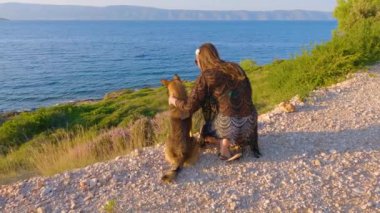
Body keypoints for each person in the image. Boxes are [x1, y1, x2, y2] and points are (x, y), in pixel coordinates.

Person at [169, 43, 261, 161]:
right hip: (250, 123)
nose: (197, 65)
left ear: (201, 60)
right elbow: (248, 92)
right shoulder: (236, 67)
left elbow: (189, 107)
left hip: (228, 125)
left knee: (205, 132)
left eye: (197, 62)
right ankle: (236, 141)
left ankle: (223, 143)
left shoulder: (207, 75)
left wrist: (173, 100)